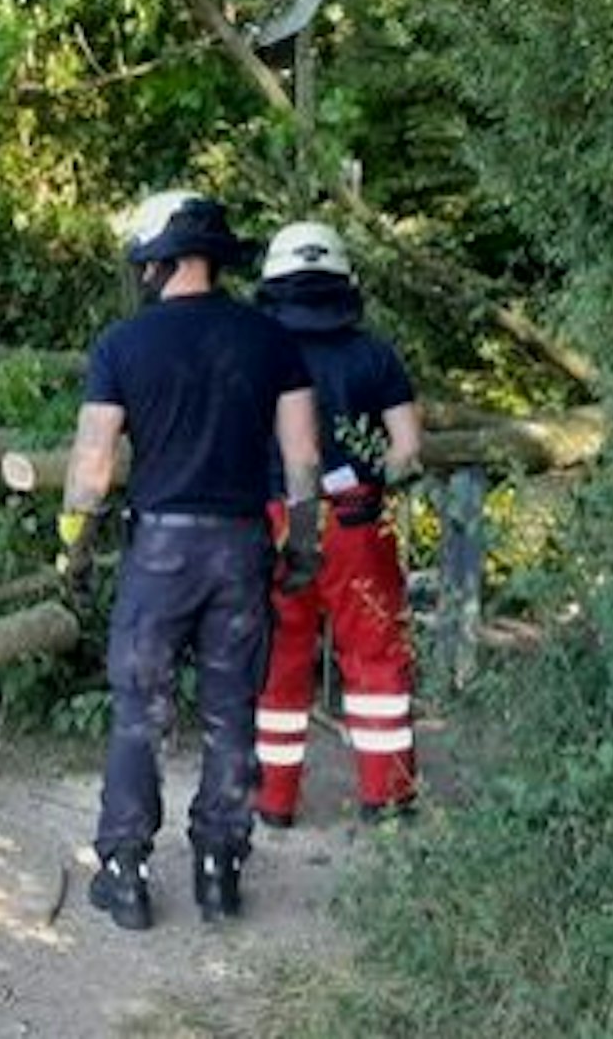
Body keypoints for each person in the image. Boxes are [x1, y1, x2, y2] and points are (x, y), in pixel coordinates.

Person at [57, 190, 324, 931]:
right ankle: (218, 870)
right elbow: (302, 460)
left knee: (139, 709)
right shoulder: (270, 341)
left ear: (158, 261)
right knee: (229, 708)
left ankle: (126, 872)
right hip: (239, 547)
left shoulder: (121, 345)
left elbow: (91, 468)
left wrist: (74, 548)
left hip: (160, 552)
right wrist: (300, 546)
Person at [249, 222, 424, 827]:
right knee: (375, 654)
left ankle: (273, 800)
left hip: (276, 520)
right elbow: (406, 450)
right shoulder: (374, 354)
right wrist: (370, 476)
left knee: (278, 657)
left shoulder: (258, 353)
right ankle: (387, 796)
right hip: (357, 520)